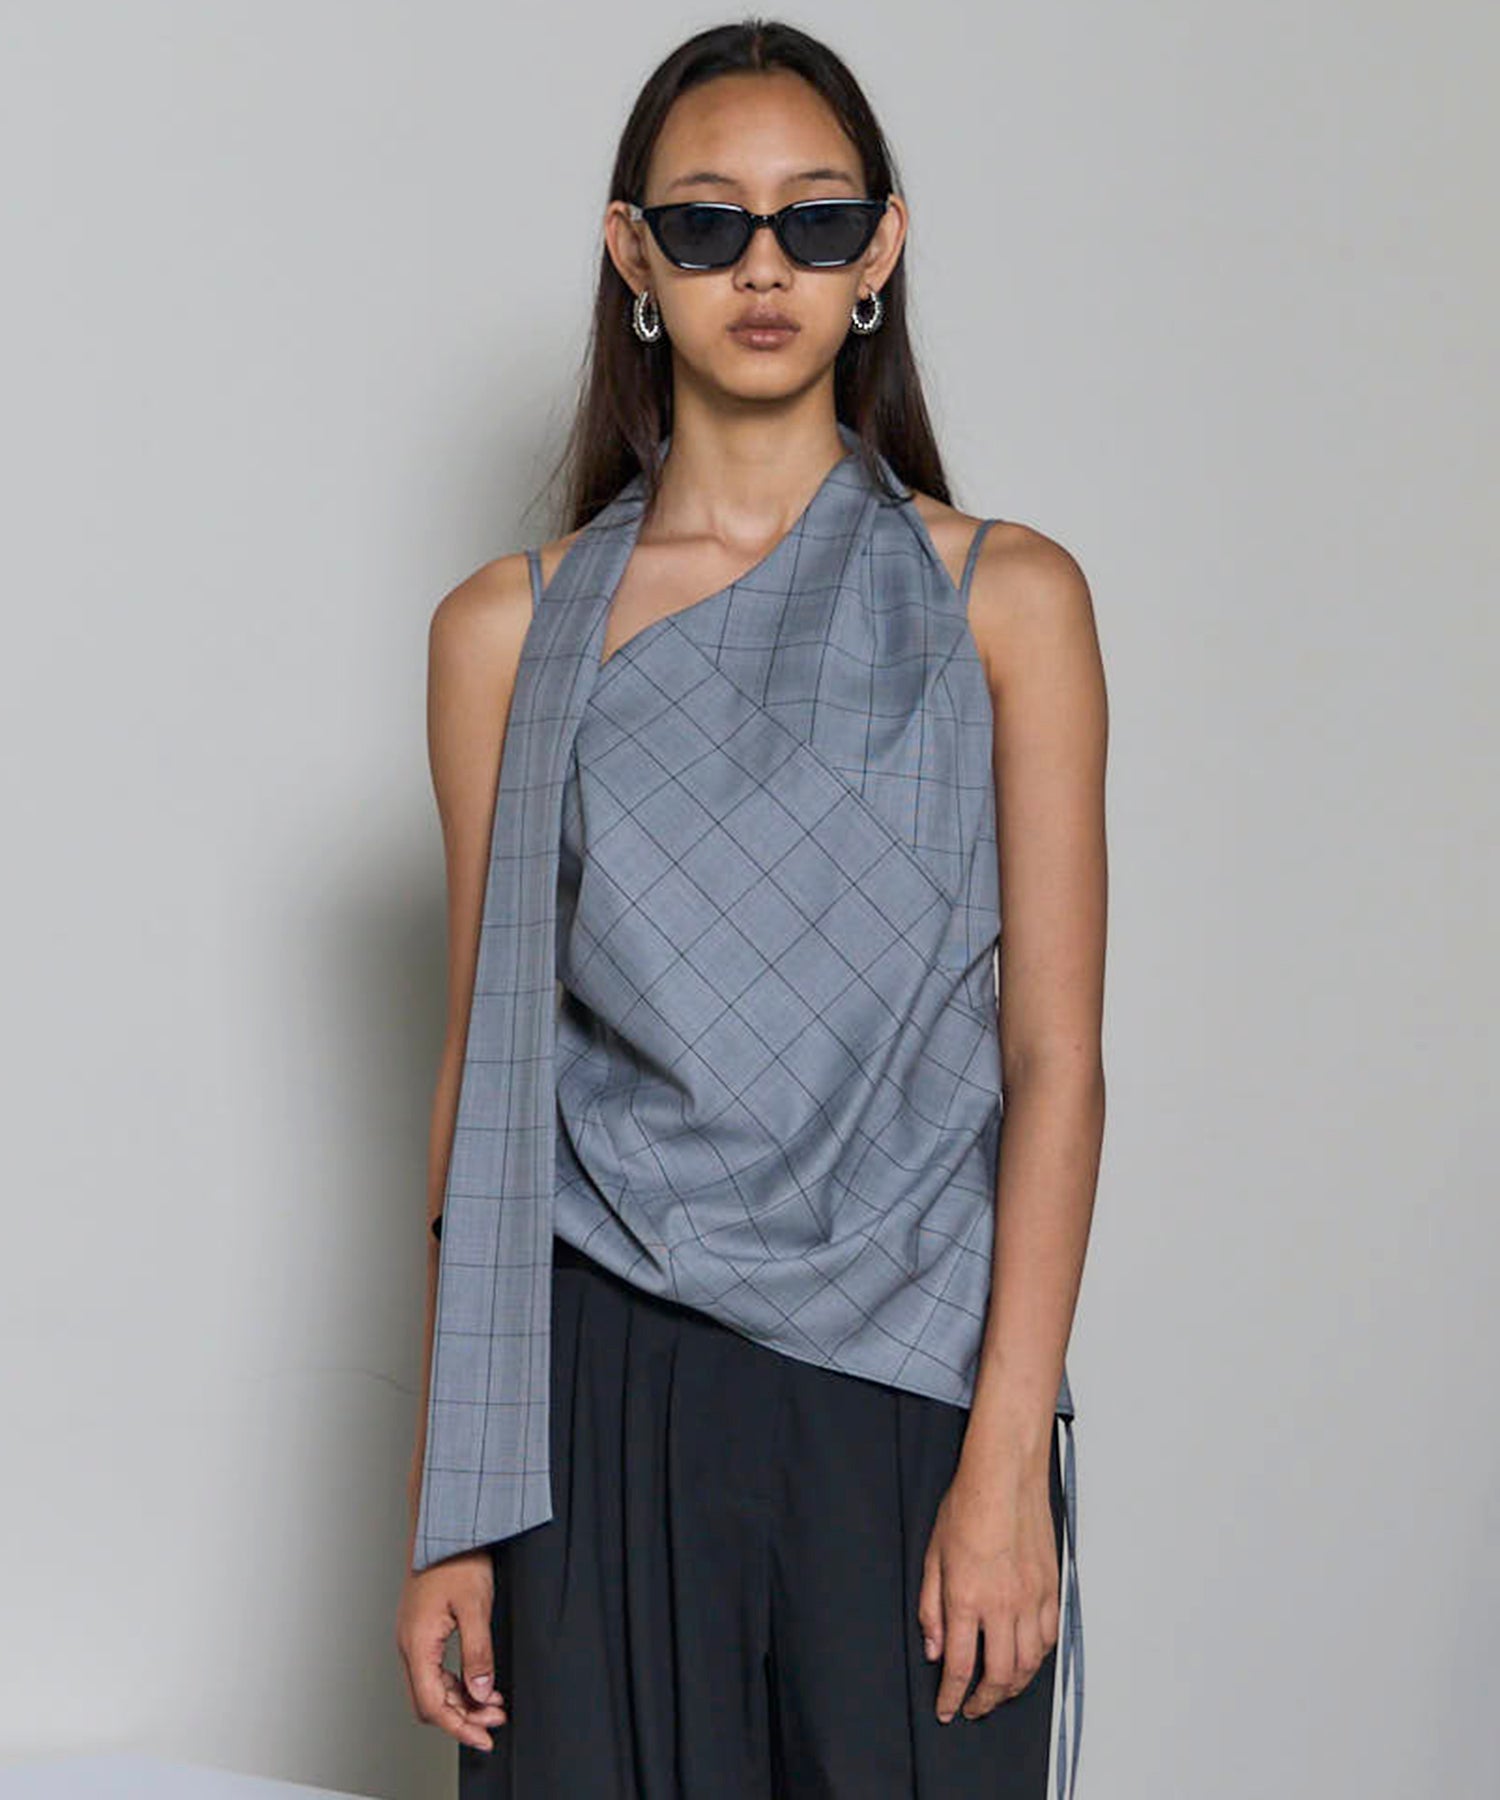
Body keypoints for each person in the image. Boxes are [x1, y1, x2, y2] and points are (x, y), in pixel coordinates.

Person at [395, 18, 1106, 1799]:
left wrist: (1009, 1459)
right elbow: (487, 1076)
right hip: (595, 1397)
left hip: (911, 1390)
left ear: (882, 248)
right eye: (710, 224)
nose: (764, 267)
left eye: (816, 218)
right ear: (634, 255)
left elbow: (1055, 1063)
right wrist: (452, 1505)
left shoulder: (1009, 602)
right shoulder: (508, 632)